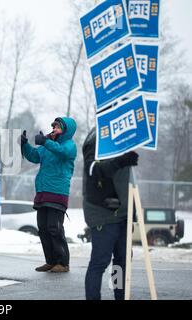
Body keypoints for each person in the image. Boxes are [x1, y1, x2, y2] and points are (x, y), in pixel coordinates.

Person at [82, 128, 139, 300]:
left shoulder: (125, 138)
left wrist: (133, 210)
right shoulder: (96, 137)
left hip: (123, 213)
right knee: (100, 262)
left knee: (122, 263)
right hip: (103, 212)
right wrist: (120, 161)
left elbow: (128, 179)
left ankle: (120, 296)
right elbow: (92, 169)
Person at [20, 117, 77, 273]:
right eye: (53, 126)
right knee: (43, 228)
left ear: (66, 130)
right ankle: (51, 261)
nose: (54, 128)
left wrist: (45, 142)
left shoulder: (69, 145)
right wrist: (25, 145)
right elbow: (34, 156)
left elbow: (63, 152)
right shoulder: (48, 145)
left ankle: (63, 262)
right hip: (43, 191)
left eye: (57, 126)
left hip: (58, 192)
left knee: (54, 227)